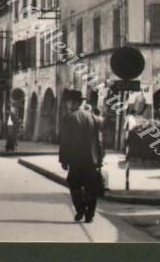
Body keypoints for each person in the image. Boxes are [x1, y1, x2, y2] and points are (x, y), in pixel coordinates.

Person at [59, 90, 104, 223]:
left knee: (74, 185)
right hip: (92, 159)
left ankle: (80, 209)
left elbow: (65, 141)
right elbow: (99, 140)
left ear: (73, 103)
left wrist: (63, 159)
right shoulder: (93, 117)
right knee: (91, 188)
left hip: (76, 160)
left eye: (68, 102)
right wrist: (100, 158)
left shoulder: (69, 118)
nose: (67, 104)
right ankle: (90, 214)